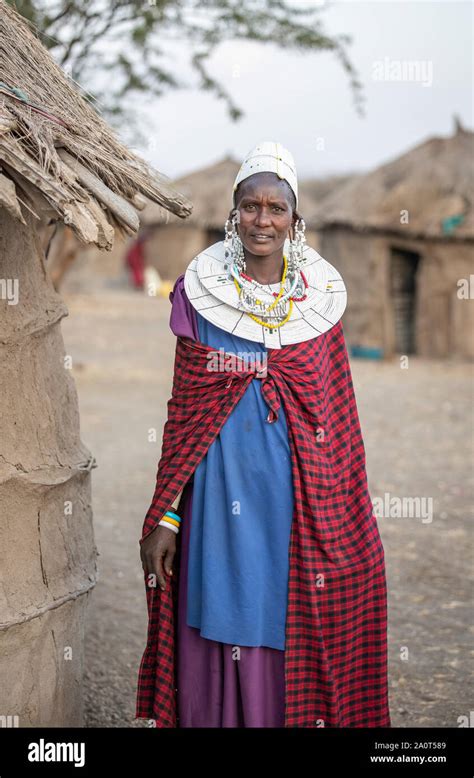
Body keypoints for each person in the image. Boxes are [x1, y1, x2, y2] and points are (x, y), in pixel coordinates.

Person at [136, 141, 391, 728]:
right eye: (251, 206)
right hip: (219, 498)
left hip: (296, 495)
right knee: (223, 605)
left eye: (277, 209)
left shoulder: (320, 308)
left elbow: (336, 414)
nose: (263, 220)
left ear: (295, 221)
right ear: (234, 213)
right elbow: (184, 412)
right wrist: (170, 516)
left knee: (292, 608)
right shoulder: (199, 296)